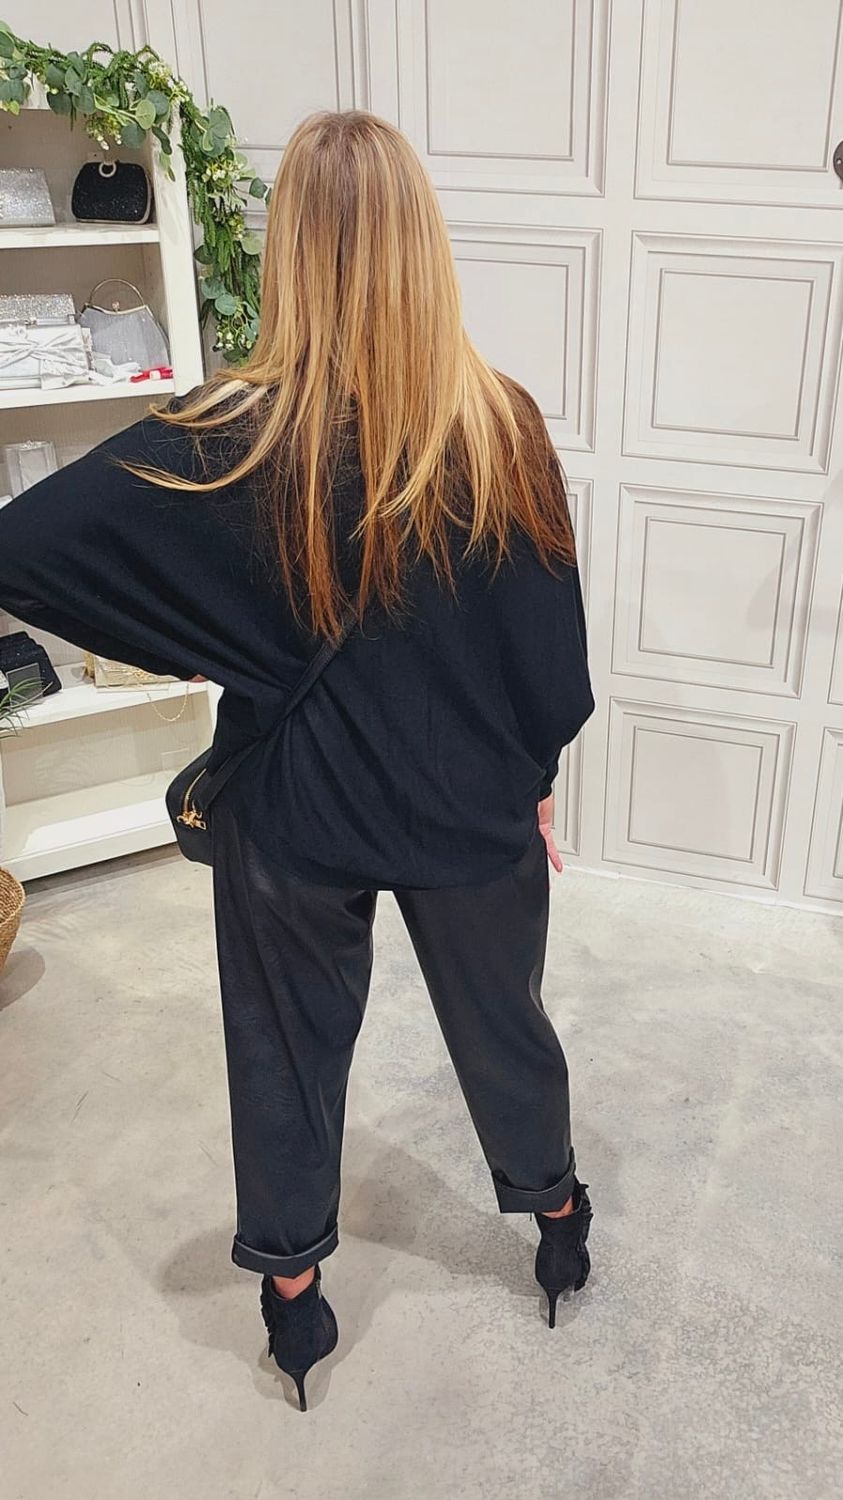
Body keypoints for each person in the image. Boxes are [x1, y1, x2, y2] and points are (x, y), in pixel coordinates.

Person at [0, 110, 594, 1410]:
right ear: (424, 247)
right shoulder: (499, 424)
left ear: (292, 256)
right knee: (505, 1022)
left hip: (295, 806)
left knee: (281, 1049)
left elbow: (28, 547)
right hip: (466, 802)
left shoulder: (231, 435)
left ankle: (293, 1298)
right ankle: (556, 1219)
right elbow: (547, 648)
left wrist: (208, 638)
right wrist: (534, 780)